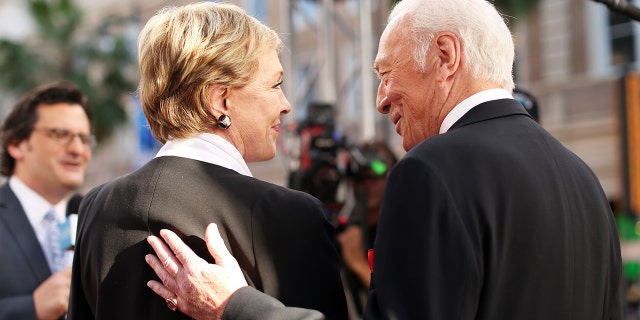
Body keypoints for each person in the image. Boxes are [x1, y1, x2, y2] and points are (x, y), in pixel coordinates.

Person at [144, 0, 624, 319]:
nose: (380, 100)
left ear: (444, 55)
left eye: (387, 73)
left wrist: (234, 305)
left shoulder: (431, 172)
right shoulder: (581, 179)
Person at [67, 2, 347, 320]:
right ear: (219, 100)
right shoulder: (288, 214)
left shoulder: (95, 207)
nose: (285, 105)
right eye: (275, 84)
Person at [0, 81, 94, 320]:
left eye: (84, 139)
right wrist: (31, 308)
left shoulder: (93, 216)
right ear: (16, 145)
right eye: (60, 134)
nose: (77, 149)